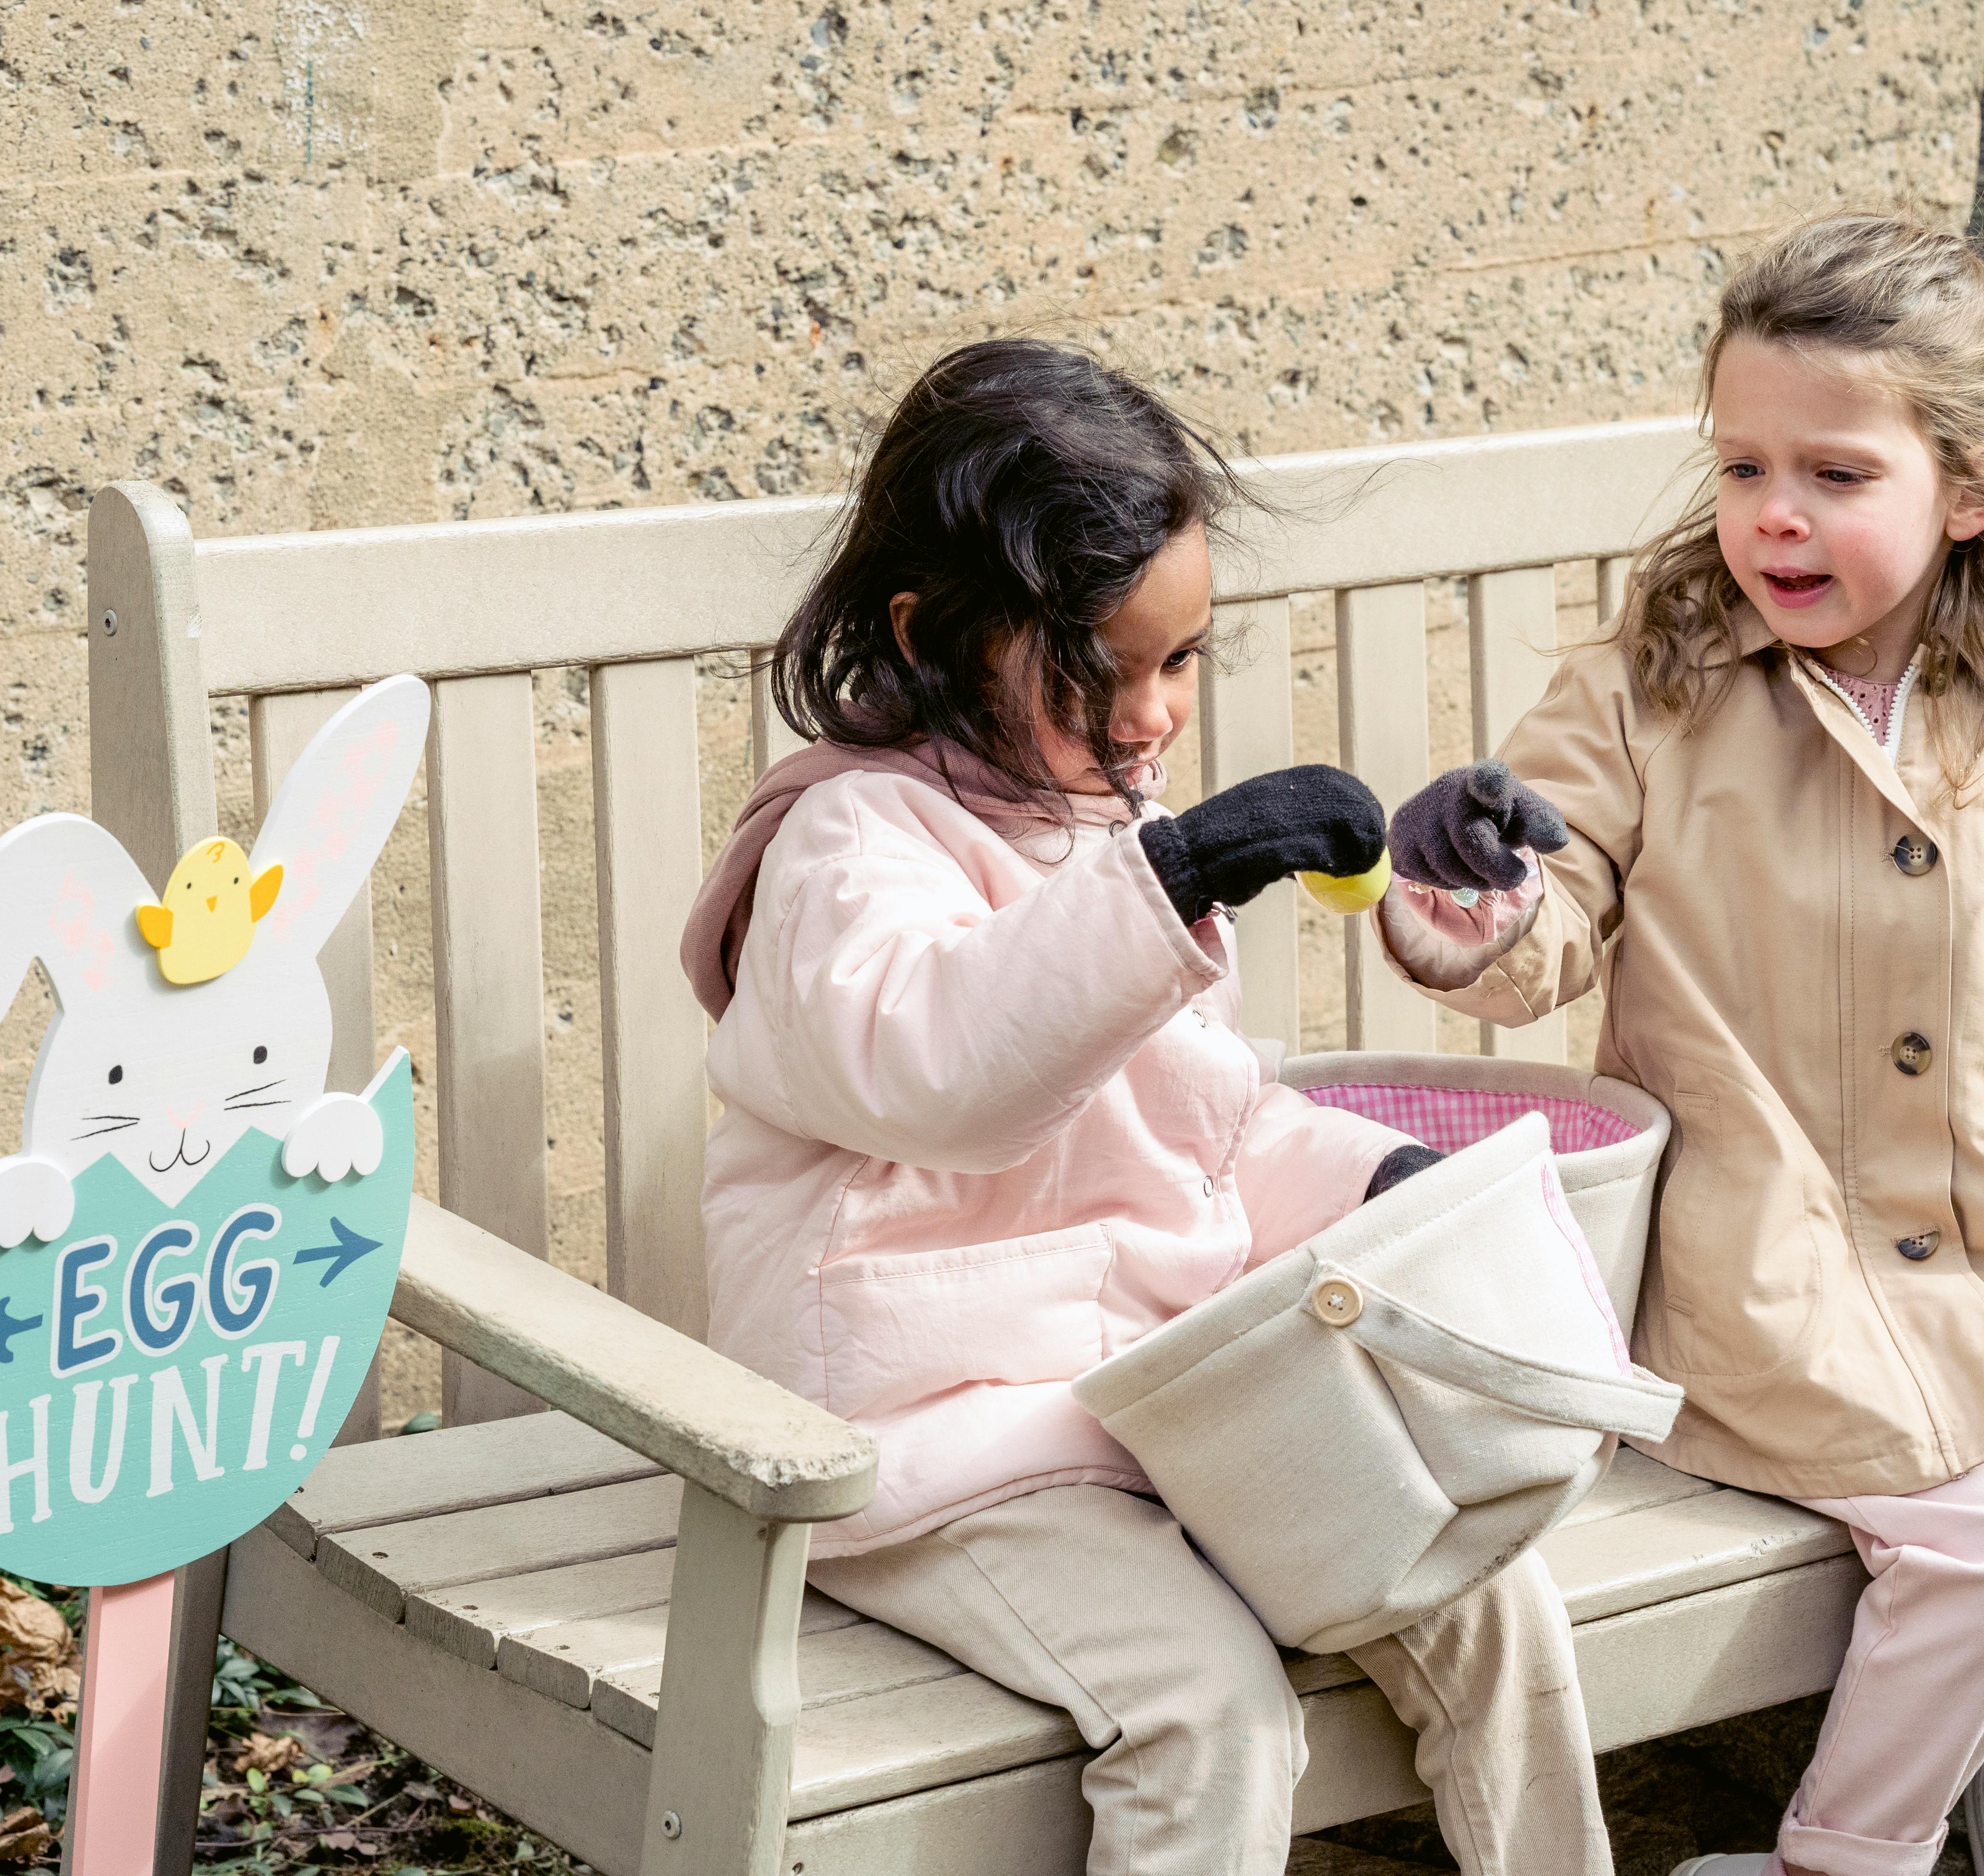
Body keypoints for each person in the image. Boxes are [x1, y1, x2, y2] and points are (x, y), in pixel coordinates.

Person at [1374, 214, 1984, 1876]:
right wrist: (1472, 892)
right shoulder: (1648, 692)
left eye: (1834, 473)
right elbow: (1551, 910)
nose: (1773, 515)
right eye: (1744, 464)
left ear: (1970, 490)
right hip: (1763, 1272)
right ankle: (1846, 1862)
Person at [681, 337, 1614, 1876]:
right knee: (1206, 1709)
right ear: (930, 635)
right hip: (918, 1440)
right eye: (1091, 671)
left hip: (1151, 1397)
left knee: (1480, 1590)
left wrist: (1377, 1180)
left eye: (1176, 663)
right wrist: (1178, 874)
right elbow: (954, 1072)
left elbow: (1211, 1128)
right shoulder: (849, 850)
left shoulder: (1099, 822)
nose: (1146, 720)